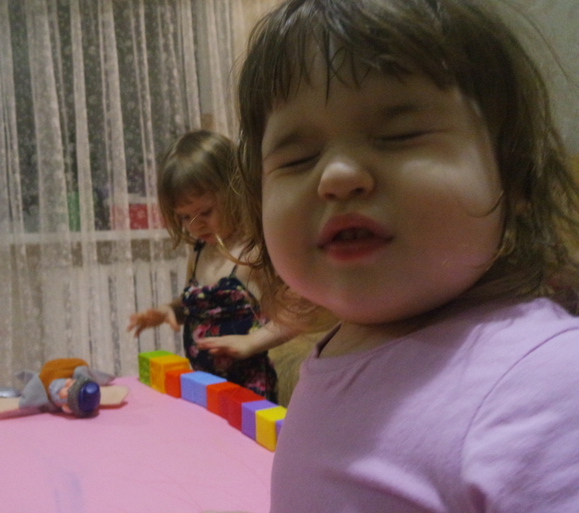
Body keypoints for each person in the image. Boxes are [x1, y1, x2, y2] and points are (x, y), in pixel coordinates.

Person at [234, 0, 579, 511]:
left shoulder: (545, 380)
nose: (337, 176)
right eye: (299, 157)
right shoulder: (336, 354)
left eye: (399, 136)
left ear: (514, 174)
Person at [127, 130, 295, 402]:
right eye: (184, 217)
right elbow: (199, 306)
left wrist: (252, 342)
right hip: (204, 386)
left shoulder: (252, 253)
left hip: (249, 390)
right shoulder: (198, 252)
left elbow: (294, 318)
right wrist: (169, 310)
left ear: (235, 192)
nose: (195, 225)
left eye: (205, 212)